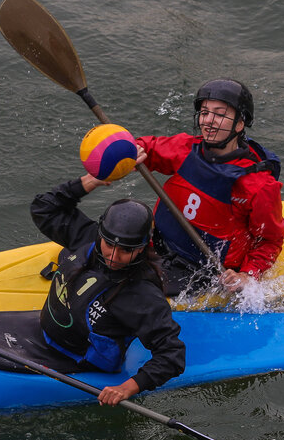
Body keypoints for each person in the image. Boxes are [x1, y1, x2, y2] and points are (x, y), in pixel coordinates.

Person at [29, 173, 185, 406]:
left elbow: (173, 356)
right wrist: (86, 183)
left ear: (142, 248)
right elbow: (43, 209)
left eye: (125, 250)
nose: (113, 256)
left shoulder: (141, 294)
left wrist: (128, 387)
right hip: (46, 334)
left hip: (82, 363)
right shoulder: (89, 237)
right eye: (109, 244)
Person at [134, 78, 284, 295]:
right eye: (205, 112)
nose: (209, 121)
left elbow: (270, 240)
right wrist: (130, 151)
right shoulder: (185, 148)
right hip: (158, 244)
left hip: (201, 270)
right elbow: (148, 147)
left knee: (136, 292)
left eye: (220, 114)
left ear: (240, 124)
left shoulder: (258, 185)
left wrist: (247, 275)